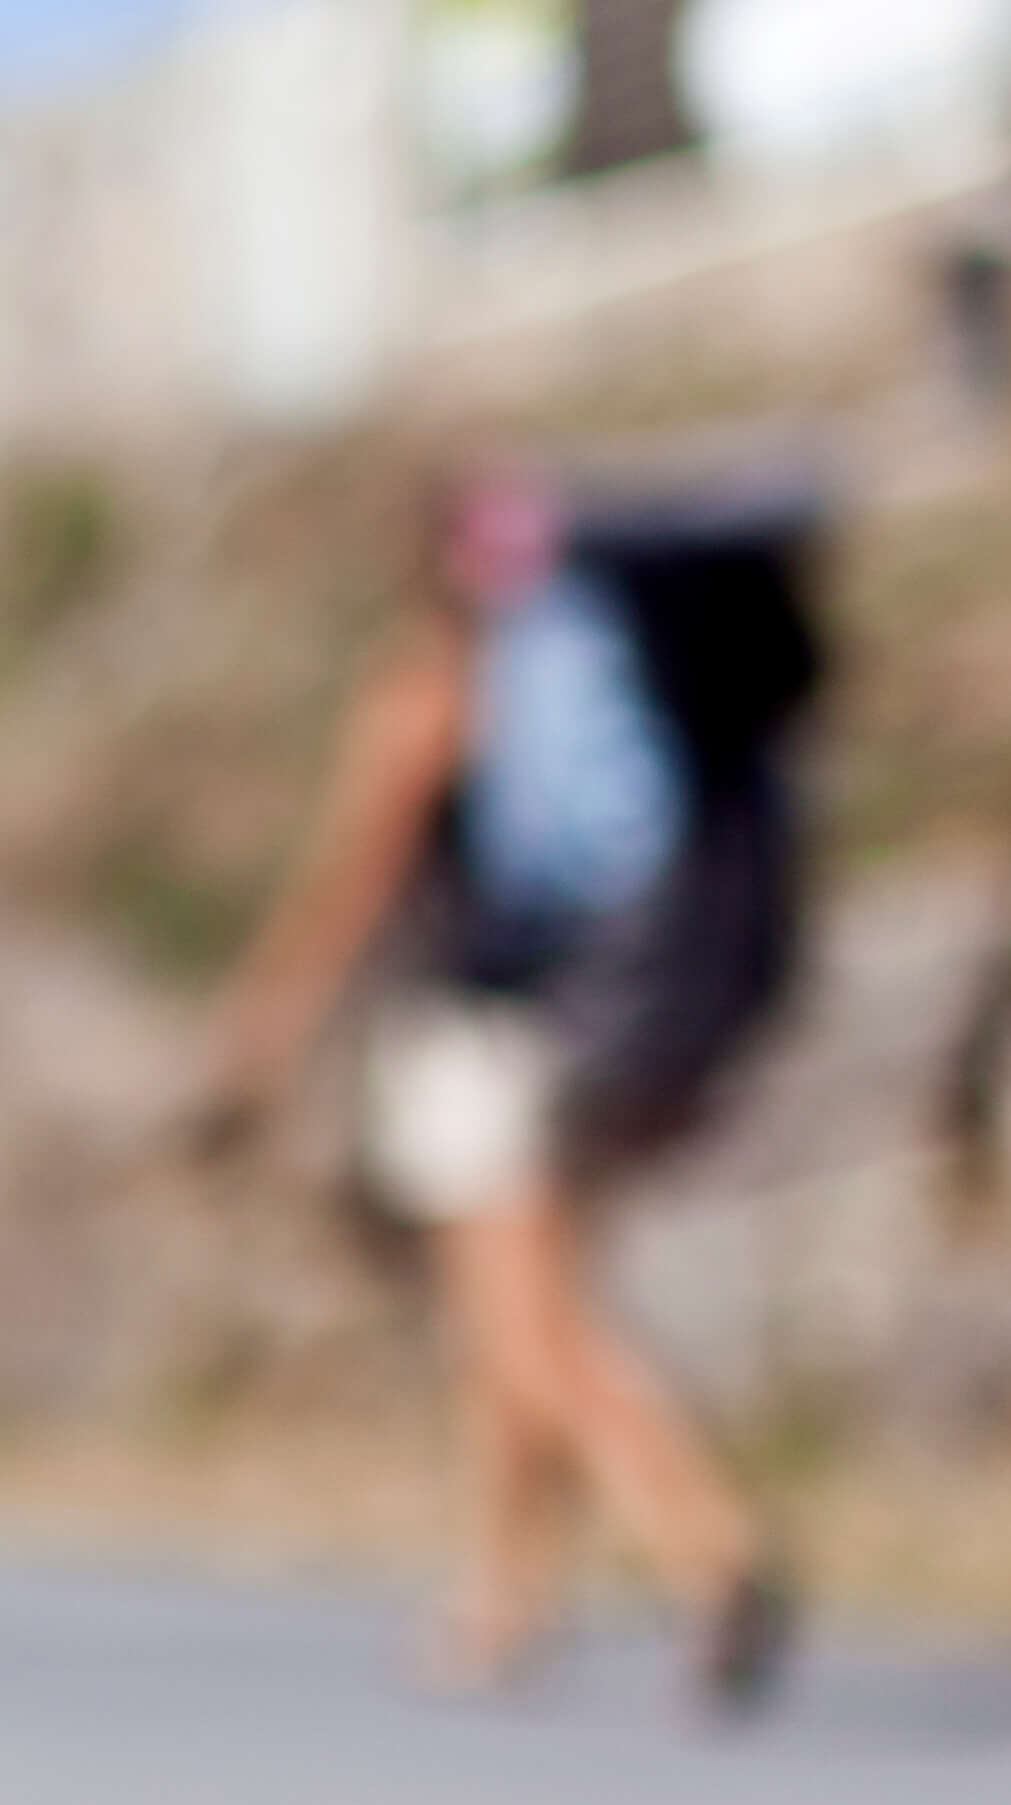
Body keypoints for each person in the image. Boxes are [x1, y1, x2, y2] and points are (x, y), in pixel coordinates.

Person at [199, 459, 813, 1715]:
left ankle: (710, 1548)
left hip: (481, 1039)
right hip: (607, 1016)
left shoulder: (427, 690)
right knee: (507, 1332)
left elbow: (352, 883)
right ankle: (507, 1597)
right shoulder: (582, 679)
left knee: (531, 1333)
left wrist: (260, 1031)